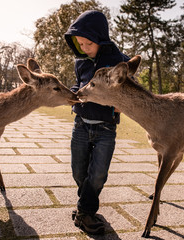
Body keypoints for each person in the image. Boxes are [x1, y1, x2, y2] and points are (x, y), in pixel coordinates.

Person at [64, 10, 130, 234]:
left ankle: (85, 212)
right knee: (78, 171)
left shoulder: (120, 60)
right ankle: (86, 207)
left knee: (99, 173)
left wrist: (122, 105)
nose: (84, 48)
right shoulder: (80, 62)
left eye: (88, 43)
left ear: (101, 37)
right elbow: (78, 84)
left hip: (105, 128)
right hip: (81, 124)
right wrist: (69, 95)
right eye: (80, 43)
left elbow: (128, 91)